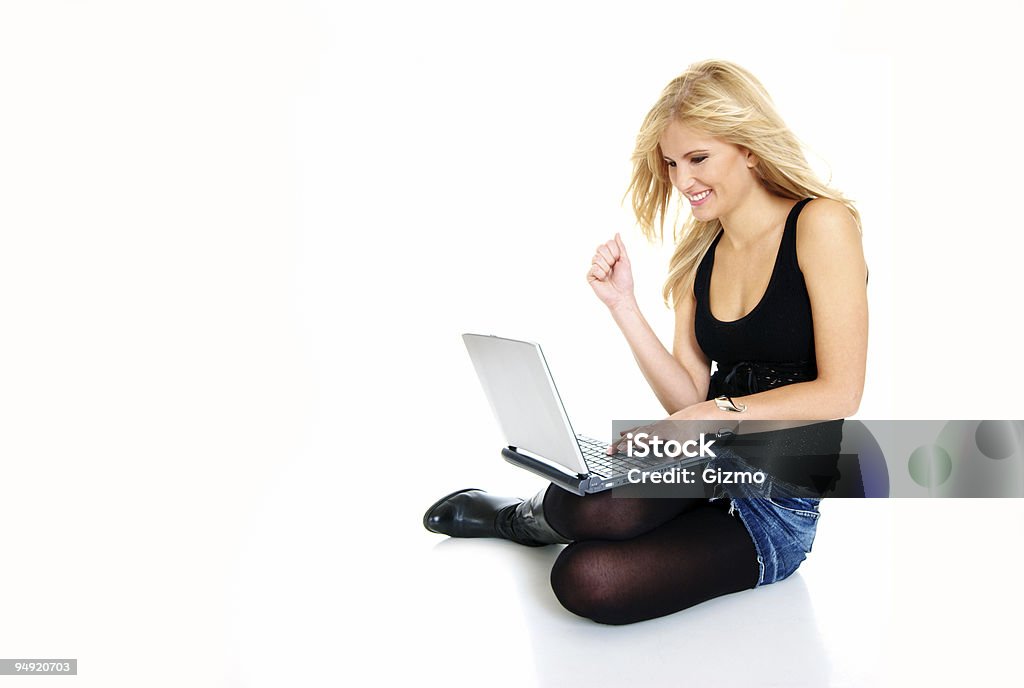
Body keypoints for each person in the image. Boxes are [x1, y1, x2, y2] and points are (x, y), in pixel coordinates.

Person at [422, 59, 868, 625]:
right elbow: (685, 401)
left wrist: (711, 415)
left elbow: (842, 392)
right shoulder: (699, 252)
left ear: (749, 147)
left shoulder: (821, 224)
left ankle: (555, 523)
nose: (683, 182)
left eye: (698, 158)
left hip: (775, 501)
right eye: (672, 164)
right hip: (706, 461)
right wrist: (623, 307)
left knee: (584, 579)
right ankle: (521, 519)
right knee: (577, 499)